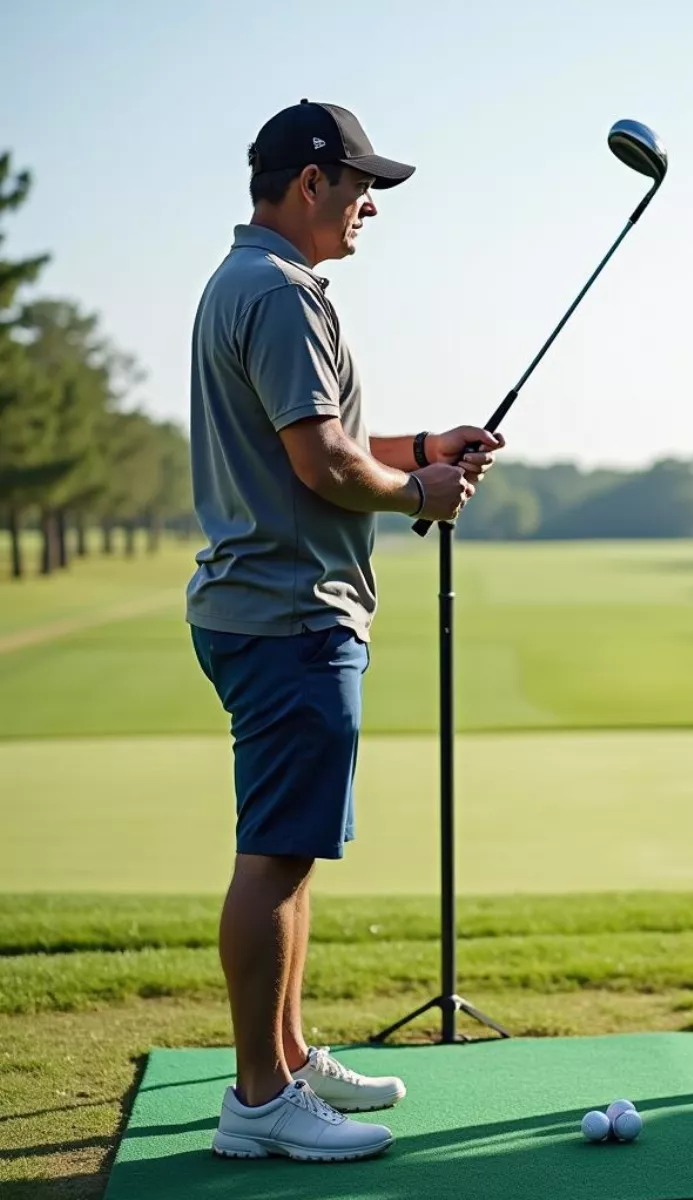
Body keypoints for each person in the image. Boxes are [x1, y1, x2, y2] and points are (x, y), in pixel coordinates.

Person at [187, 99, 504, 1162]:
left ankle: (284, 1051)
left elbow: (325, 439)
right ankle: (260, 1099)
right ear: (311, 181)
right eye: (363, 185)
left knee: (296, 853)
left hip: (273, 607)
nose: (372, 206)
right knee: (275, 857)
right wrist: (419, 489)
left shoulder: (254, 285)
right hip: (288, 613)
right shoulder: (279, 295)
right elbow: (322, 465)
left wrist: (421, 445)